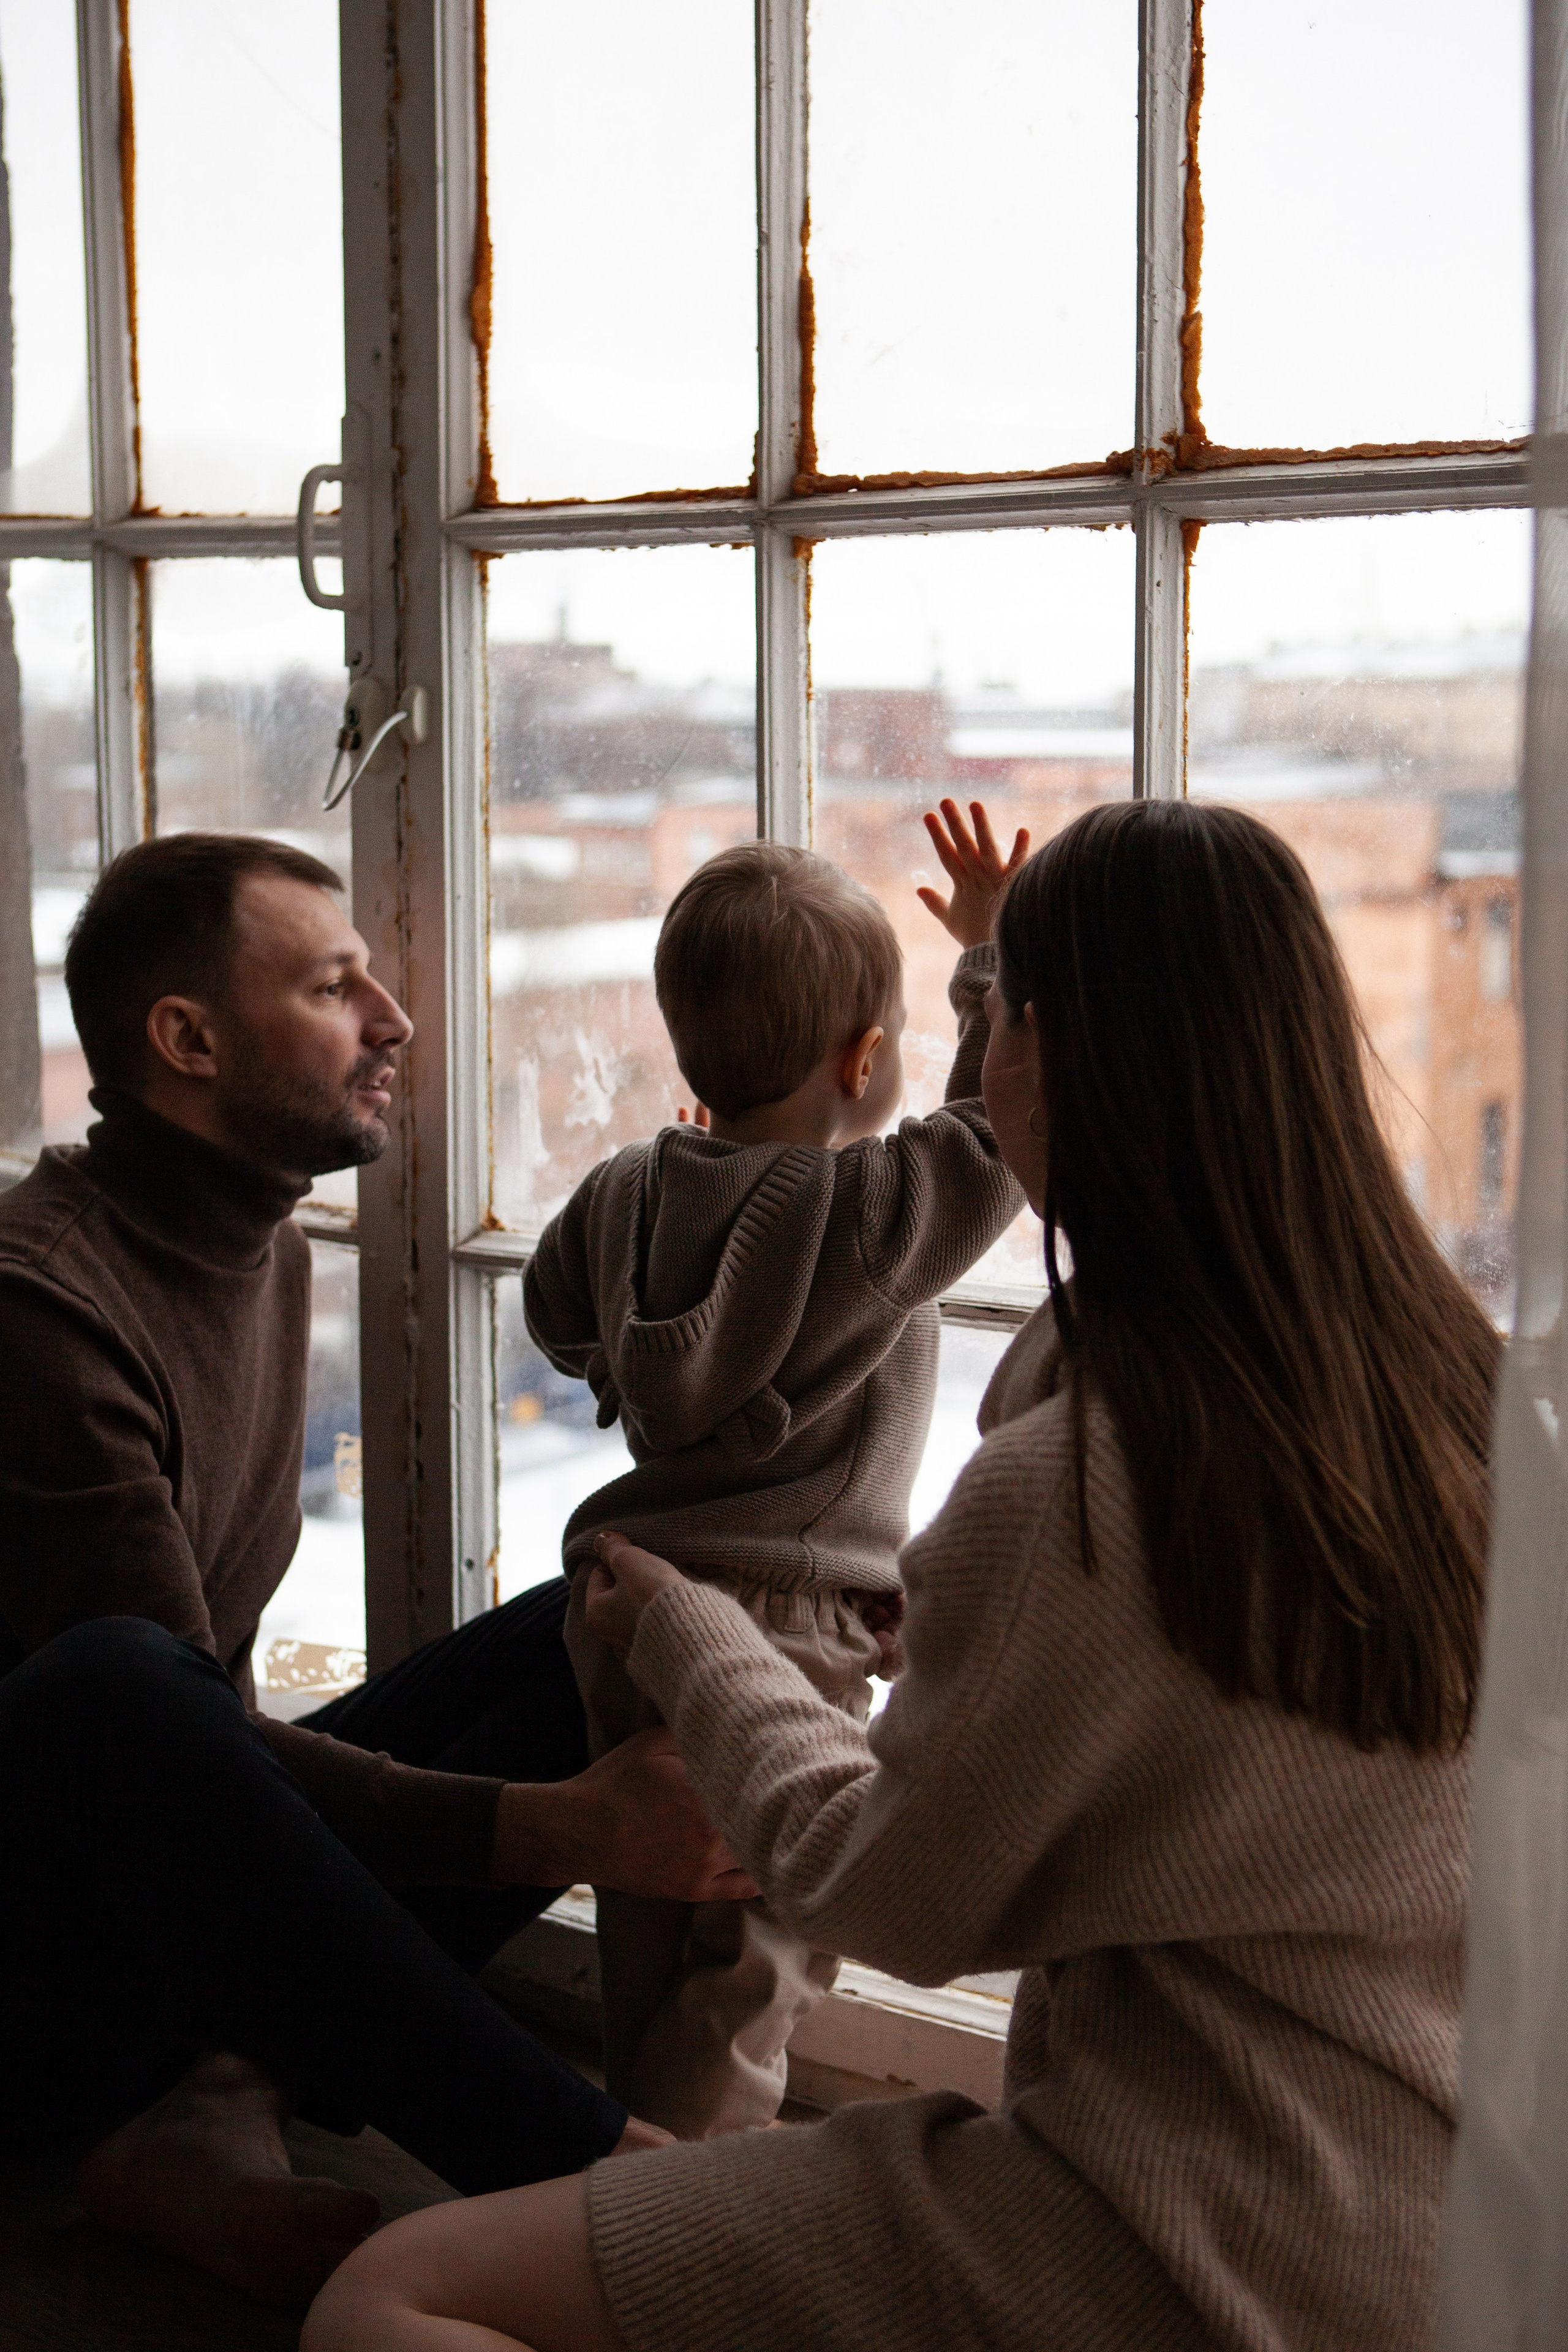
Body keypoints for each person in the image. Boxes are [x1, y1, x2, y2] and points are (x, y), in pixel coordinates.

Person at [305, 798, 1495, 2352]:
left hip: (1168, 2238)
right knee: (731, 2006)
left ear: (1043, 1055)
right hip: (1458, 2214)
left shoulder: (1078, 1475)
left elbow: (886, 1892)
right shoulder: (1454, 1399)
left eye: (1001, 1010)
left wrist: (684, 1630)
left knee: (386, 2293)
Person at [0, 832, 756, 2309]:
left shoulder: (256, 1248)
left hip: (160, 1888)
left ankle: (210, 2109)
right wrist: (554, 1831)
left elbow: (212, 1779)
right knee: (129, 1686)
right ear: (188, 1042)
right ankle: (603, 2178)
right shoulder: (39, 1309)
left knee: (601, 1614)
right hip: (36, 1959)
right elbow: (163, 1747)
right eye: (337, 987)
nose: (394, 1017)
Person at [522, 802, 1025, 2137]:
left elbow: (550, 1308)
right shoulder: (860, 1213)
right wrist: (986, 959)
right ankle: (680, 2221)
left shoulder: (627, 1187)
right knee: (758, 1955)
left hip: (626, 1602)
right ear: (866, 1058)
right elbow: (992, 1139)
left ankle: (621, 2147)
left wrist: (621, 1373)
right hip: (782, 1631)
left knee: (649, 1899)